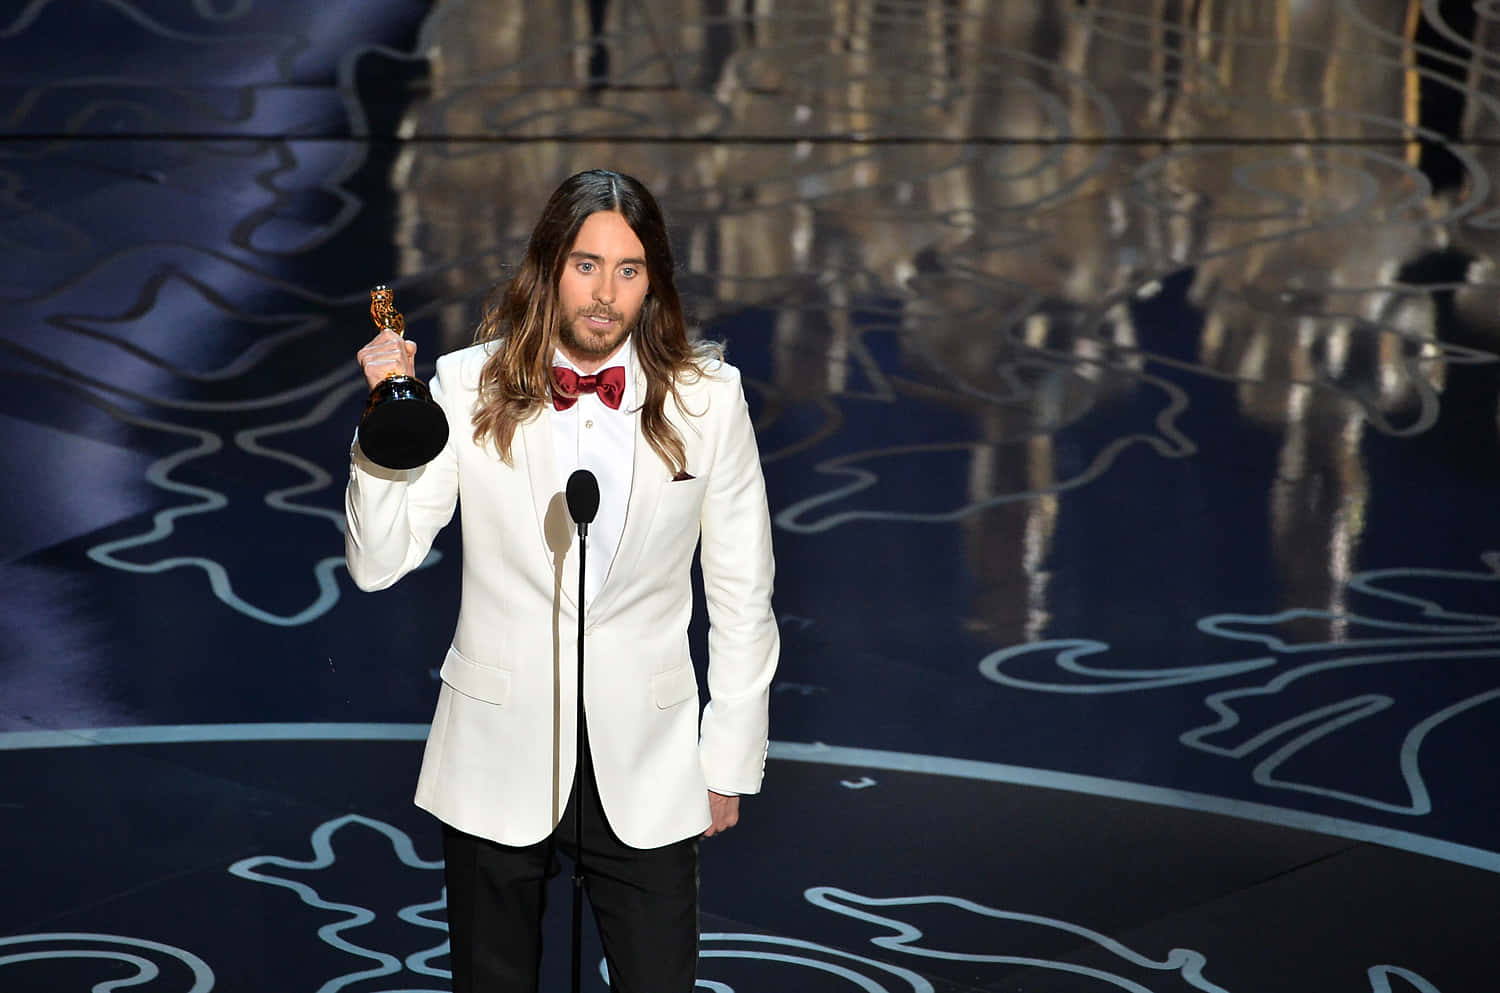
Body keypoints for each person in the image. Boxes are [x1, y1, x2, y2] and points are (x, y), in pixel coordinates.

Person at [344, 168, 779, 993]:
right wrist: (383, 425)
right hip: (495, 751)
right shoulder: (469, 383)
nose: (605, 294)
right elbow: (378, 563)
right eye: (586, 264)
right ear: (548, 266)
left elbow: (741, 590)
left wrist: (729, 756)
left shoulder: (708, 400)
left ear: (654, 281)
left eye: (628, 269)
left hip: (649, 763)